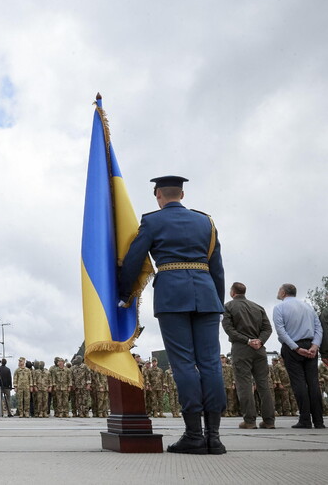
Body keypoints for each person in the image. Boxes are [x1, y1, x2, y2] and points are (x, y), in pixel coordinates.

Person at [119, 175, 226, 455]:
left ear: (158, 195)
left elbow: (133, 259)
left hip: (172, 294)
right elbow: (217, 266)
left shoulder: (153, 221)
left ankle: (193, 435)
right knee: (211, 363)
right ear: (182, 194)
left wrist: (124, 292)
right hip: (207, 294)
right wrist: (218, 300)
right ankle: (214, 437)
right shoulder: (207, 222)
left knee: (183, 364)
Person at [221, 282, 276, 429]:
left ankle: (250, 420)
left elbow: (228, 329)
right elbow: (267, 328)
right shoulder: (258, 307)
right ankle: (269, 420)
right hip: (259, 349)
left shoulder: (228, 306)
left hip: (241, 348)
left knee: (244, 384)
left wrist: (247, 340)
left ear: (233, 292)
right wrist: (260, 340)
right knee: (264, 384)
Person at [272, 283, 324, 429]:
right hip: (311, 346)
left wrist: (295, 348)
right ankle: (319, 421)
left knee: (298, 383)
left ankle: (305, 419)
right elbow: (318, 327)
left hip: (292, 347)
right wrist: (315, 345)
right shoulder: (308, 306)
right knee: (313, 383)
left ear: (283, 292)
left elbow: (281, 331)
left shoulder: (279, 308)